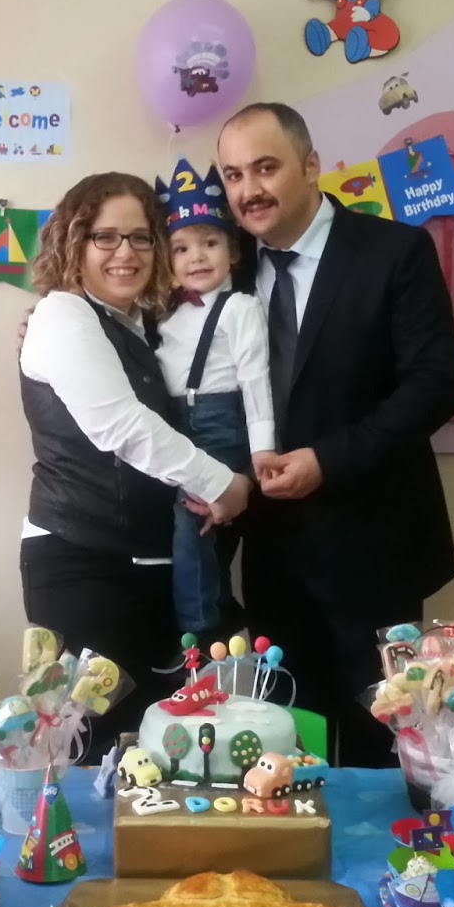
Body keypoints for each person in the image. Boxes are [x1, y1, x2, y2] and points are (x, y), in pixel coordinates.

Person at [216, 102, 454, 767]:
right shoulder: (223, 264)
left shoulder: (394, 252)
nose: (249, 190)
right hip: (271, 552)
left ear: (310, 166)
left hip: (374, 545)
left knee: (380, 742)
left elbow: (436, 385)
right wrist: (50, 323)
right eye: (234, 175)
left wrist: (327, 460)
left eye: (265, 168)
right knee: (285, 742)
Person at [18, 172, 253, 759]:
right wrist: (223, 485)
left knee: (161, 753)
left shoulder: (142, 327)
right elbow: (118, 426)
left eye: (141, 237)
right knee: (99, 750)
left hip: (149, 564)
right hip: (82, 563)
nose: (125, 252)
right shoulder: (63, 315)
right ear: (73, 241)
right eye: (105, 237)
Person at [153, 158, 275, 644]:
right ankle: (224, 618)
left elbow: (256, 383)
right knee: (200, 538)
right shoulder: (164, 315)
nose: (197, 257)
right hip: (176, 427)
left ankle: (199, 638)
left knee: (194, 525)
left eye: (210, 243)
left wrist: (262, 455)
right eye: (181, 248)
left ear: (233, 251)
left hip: (220, 424)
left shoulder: (241, 308)